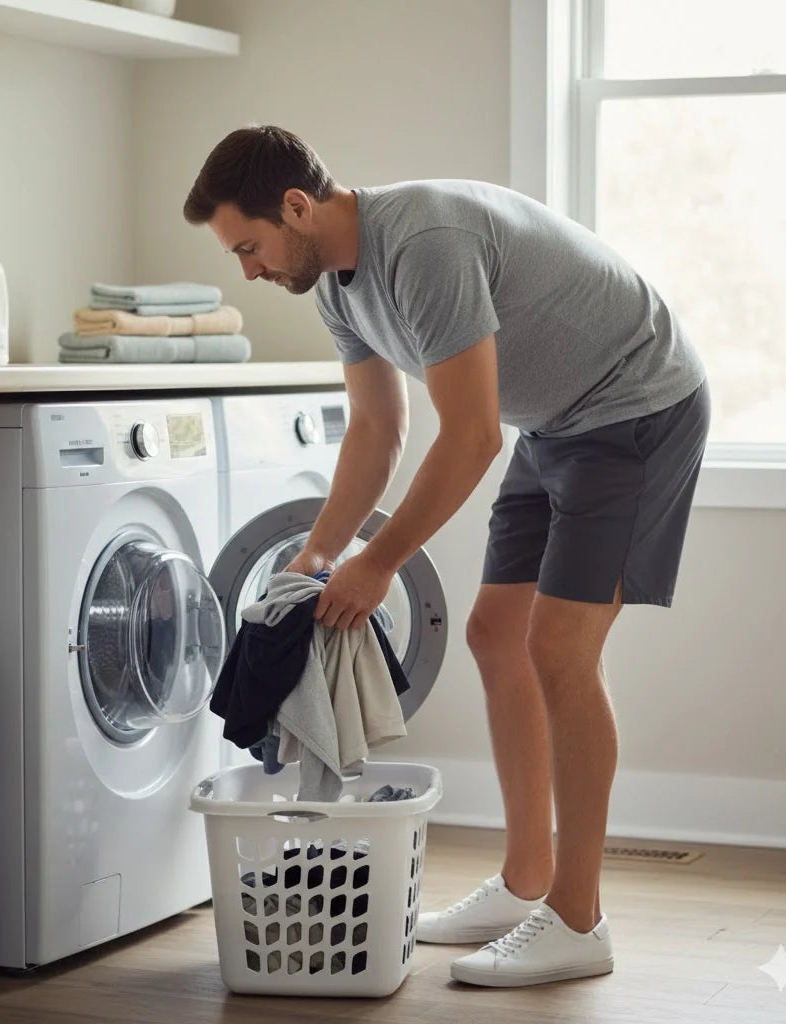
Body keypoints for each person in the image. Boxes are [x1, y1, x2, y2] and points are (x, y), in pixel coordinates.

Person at [183, 125, 710, 989]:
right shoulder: (335, 290)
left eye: (249, 247)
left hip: (638, 406)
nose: (248, 270)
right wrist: (317, 554)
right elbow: (378, 431)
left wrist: (378, 561)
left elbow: (467, 438)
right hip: (557, 422)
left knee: (559, 650)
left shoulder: (423, 243)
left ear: (295, 206)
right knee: (495, 633)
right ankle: (525, 882)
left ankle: (579, 922)